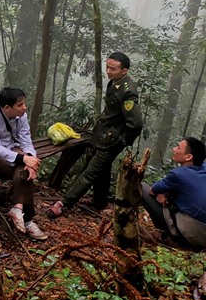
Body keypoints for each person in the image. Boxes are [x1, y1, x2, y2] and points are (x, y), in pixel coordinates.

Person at [51, 52, 143, 217]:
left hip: (112, 141)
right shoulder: (113, 83)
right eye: (107, 67)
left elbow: (135, 123)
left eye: (113, 69)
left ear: (125, 71)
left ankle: (63, 203)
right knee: (103, 170)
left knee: (90, 172)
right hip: (101, 134)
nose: (108, 71)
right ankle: (99, 201)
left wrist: (122, 141)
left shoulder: (128, 91)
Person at [0, 87, 48, 241]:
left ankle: (18, 209)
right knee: (21, 170)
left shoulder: (22, 116)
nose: (24, 108)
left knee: (25, 171)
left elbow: (26, 139)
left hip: (10, 149)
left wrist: (30, 159)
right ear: (7, 107)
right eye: (20, 105)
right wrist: (23, 160)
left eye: (24, 104)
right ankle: (28, 221)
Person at [141, 136, 206, 250]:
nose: (174, 149)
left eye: (178, 147)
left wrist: (161, 193)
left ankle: (171, 237)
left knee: (142, 187)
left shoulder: (178, 175)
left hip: (194, 235)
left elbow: (152, 190)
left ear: (188, 157)